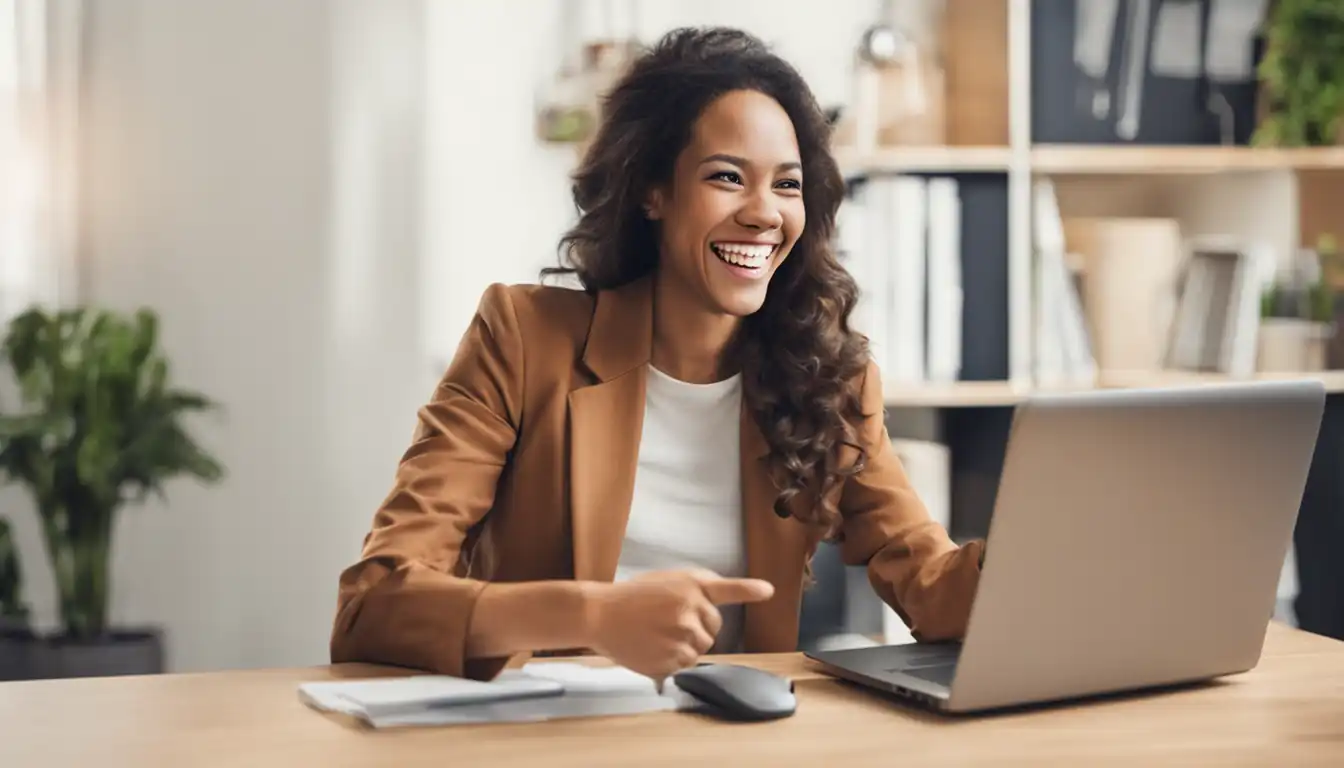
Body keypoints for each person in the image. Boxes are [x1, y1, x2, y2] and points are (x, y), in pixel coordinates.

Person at [330, 26, 985, 684]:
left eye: (787, 186)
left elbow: (932, 587)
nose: (764, 214)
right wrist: (590, 616)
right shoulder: (524, 341)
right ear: (653, 191)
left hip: (733, 738)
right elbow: (373, 606)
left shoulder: (829, 381)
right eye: (728, 177)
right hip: (541, 737)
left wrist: (1047, 550)